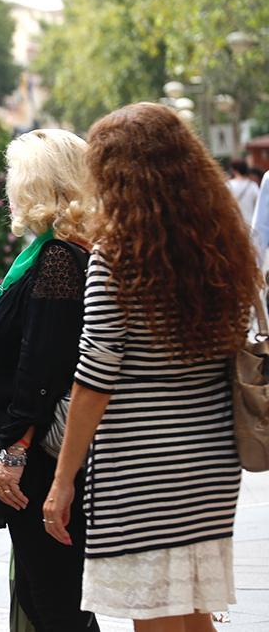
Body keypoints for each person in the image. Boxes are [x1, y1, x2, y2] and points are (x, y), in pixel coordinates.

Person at [44, 103, 256, 631]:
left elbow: (96, 374)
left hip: (143, 466)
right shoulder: (223, 245)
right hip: (210, 463)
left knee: (155, 618)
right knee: (190, 612)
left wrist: (63, 479)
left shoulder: (116, 253)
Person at [0, 129, 100, 631]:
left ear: (37, 184)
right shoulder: (50, 254)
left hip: (35, 461)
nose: (10, 187)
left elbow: (42, 366)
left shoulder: (57, 258)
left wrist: (13, 453)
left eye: (16, 176)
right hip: (37, 456)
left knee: (54, 599)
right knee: (47, 593)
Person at [228, 159, 258, 226]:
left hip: (234, 225)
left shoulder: (228, 185)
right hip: (250, 225)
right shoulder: (253, 185)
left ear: (234, 170)